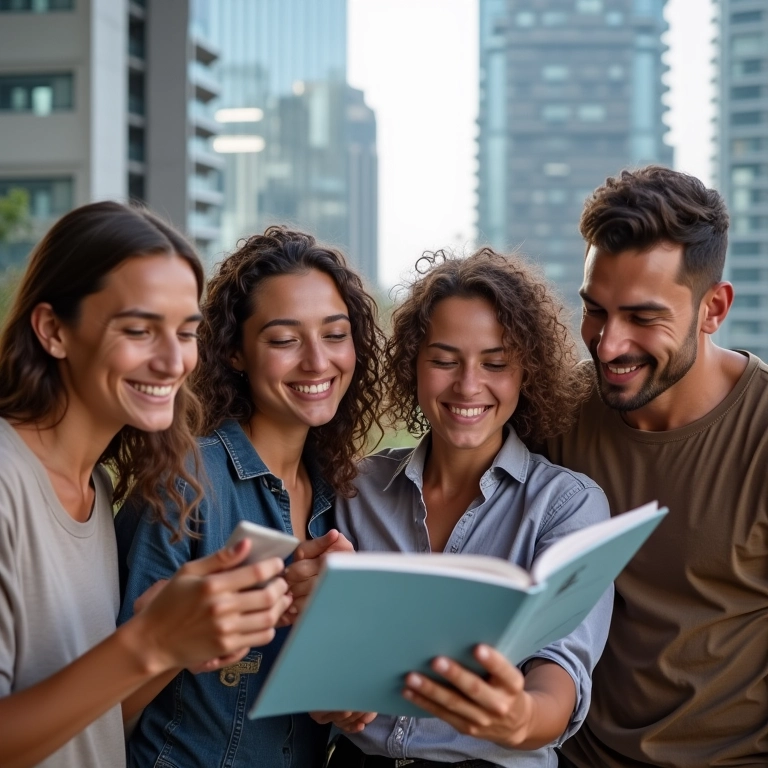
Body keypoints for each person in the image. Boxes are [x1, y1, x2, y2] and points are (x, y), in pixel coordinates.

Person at [0, 202, 292, 768]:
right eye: (138, 330)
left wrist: (180, 641)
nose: (173, 361)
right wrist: (149, 641)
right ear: (53, 330)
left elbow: (91, 724)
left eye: (186, 333)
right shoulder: (8, 482)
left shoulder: (95, 489)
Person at [323, 248, 613, 767]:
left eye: (495, 364)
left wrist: (521, 716)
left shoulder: (567, 506)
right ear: (412, 365)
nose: (468, 385)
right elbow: (325, 654)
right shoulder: (357, 489)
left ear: (527, 373)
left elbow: (560, 668)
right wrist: (329, 696)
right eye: (443, 360)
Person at [116, 226, 386, 768]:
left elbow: (321, 709)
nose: (318, 362)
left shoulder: (344, 497)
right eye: (285, 340)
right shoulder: (185, 485)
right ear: (234, 352)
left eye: (335, 334)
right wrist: (186, 632)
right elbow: (103, 710)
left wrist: (348, 694)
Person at [547, 166, 768, 768]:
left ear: (713, 308)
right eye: (595, 310)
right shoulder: (556, 413)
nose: (608, 344)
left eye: (643, 318)